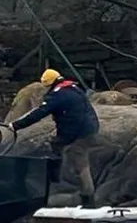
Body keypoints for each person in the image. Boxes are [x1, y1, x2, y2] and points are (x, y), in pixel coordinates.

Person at [7, 68, 100, 208]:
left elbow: (39, 113)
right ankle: (60, 181)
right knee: (58, 149)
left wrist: (16, 125)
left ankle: (88, 200)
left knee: (79, 163)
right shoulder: (74, 88)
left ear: (50, 84)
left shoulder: (58, 96)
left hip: (77, 133)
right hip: (88, 129)